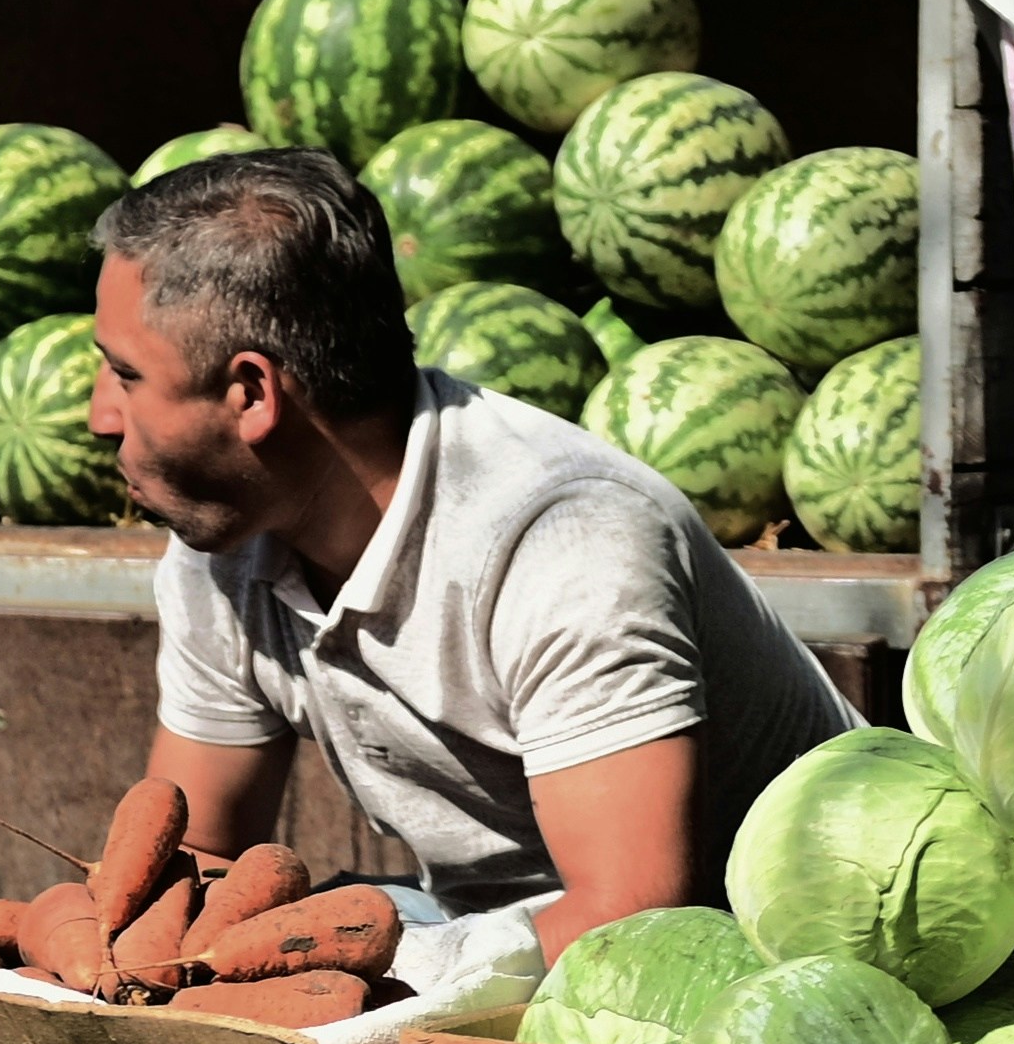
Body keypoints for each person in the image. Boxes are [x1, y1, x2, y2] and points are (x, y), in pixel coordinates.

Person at [88, 149, 855, 959]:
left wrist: (353, 969)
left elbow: (630, 924)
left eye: (125, 375)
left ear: (251, 393)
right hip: (485, 945)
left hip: (751, 969)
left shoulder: (565, 539)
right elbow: (202, 853)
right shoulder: (228, 537)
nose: (102, 416)